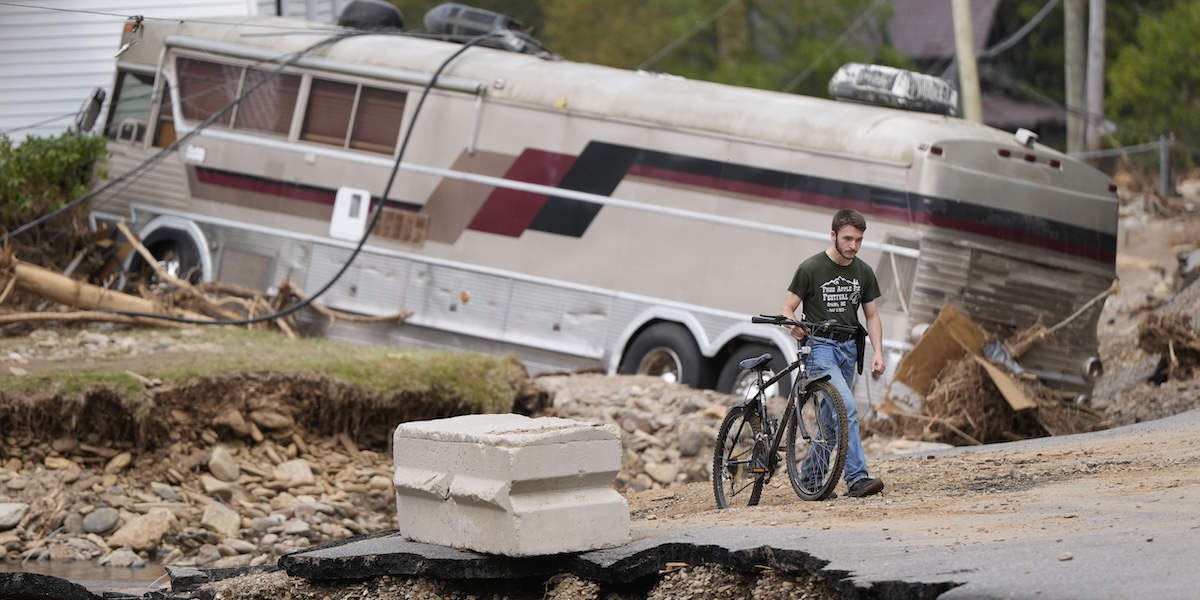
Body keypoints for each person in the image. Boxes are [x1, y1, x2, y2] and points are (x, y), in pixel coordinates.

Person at [780, 208, 886, 498]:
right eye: (848, 238)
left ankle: (813, 481)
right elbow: (787, 307)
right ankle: (857, 479)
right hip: (820, 348)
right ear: (833, 235)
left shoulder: (863, 271)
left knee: (830, 420)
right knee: (846, 407)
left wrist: (878, 351)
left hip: (849, 348)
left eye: (859, 240)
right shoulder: (811, 268)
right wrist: (794, 325)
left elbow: (872, 316)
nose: (853, 246)